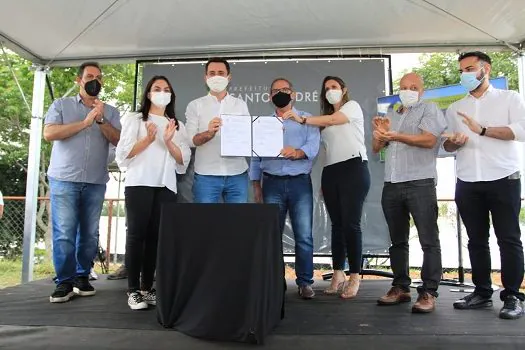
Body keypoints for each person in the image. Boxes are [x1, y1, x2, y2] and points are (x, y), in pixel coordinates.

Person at [443, 51, 525, 320]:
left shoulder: (510, 99)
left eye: (469, 68)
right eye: (461, 71)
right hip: (467, 180)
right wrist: (454, 141)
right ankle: (481, 292)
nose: (465, 74)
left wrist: (483, 130)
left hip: (503, 178)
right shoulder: (456, 107)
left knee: (509, 239)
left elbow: (522, 130)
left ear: (485, 69)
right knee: (476, 241)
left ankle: (512, 295)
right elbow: (446, 145)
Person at [283, 76, 370, 299]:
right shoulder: (324, 122)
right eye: (327, 89)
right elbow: (325, 150)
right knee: (337, 226)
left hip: (354, 167)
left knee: (351, 224)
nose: (330, 91)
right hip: (331, 171)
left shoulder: (351, 107)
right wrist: (324, 180)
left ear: (344, 89)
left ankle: (355, 276)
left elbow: (333, 120)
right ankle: (338, 273)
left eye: (334, 87)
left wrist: (302, 119)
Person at [43, 62, 121, 303]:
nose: (93, 80)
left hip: (96, 180)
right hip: (64, 179)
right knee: (64, 232)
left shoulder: (111, 111)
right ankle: (63, 282)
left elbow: (118, 140)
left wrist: (100, 120)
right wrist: (85, 123)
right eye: (89, 76)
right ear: (79, 80)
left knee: (89, 233)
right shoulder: (61, 105)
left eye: (98, 77)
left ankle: (82, 276)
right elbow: (50, 133)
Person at [371, 73, 446, 313]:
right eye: (404, 87)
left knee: (428, 240)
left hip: (419, 182)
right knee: (397, 241)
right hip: (392, 183)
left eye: (413, 87)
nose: (408, 91)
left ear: (422, 91)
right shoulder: (392, 113)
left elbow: (429, 140)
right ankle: (400, 287)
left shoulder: (429, 109)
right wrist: (380, 135)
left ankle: (428, 291)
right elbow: (376, 149)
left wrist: (396, 135)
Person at [116, 75, 190, 310]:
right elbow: (123, 154)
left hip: (165, 185)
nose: (162, 93)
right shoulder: (135, 119)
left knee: (155, 238)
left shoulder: (175, 124)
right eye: (157, 89)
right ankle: (133, 290)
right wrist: (148, 139)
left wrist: (168, 141)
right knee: (137, 235)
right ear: (148, 94)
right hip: (139, 183)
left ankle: (148, 288)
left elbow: (183, 161)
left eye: (166, 89)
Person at [250, 77, 320, 299]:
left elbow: (313, 146)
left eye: (285, 89)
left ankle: (305, 282)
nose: (281, 93)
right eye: (276, 91)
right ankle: (274, 281)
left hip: (300, 182)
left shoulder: (306, 118)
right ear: (270, 97)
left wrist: (297, 153)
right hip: (271, 183)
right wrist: (257, 187)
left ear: (294, 94)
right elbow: (255, 156)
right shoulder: (262, 123)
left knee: (304, 235)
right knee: (272, 236)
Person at [185, 57, 251, 203]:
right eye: (212, 73)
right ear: (206, 77)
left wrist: (270, 133)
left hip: (237, 173)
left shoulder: (240, 105)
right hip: (206, 175)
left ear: (229, 77)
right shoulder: (195, 105)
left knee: (238, 222)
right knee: (206, 223)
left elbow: (248, 136)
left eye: (221, 73)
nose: (216, 77)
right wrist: (208, 133)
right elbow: (190, 141)